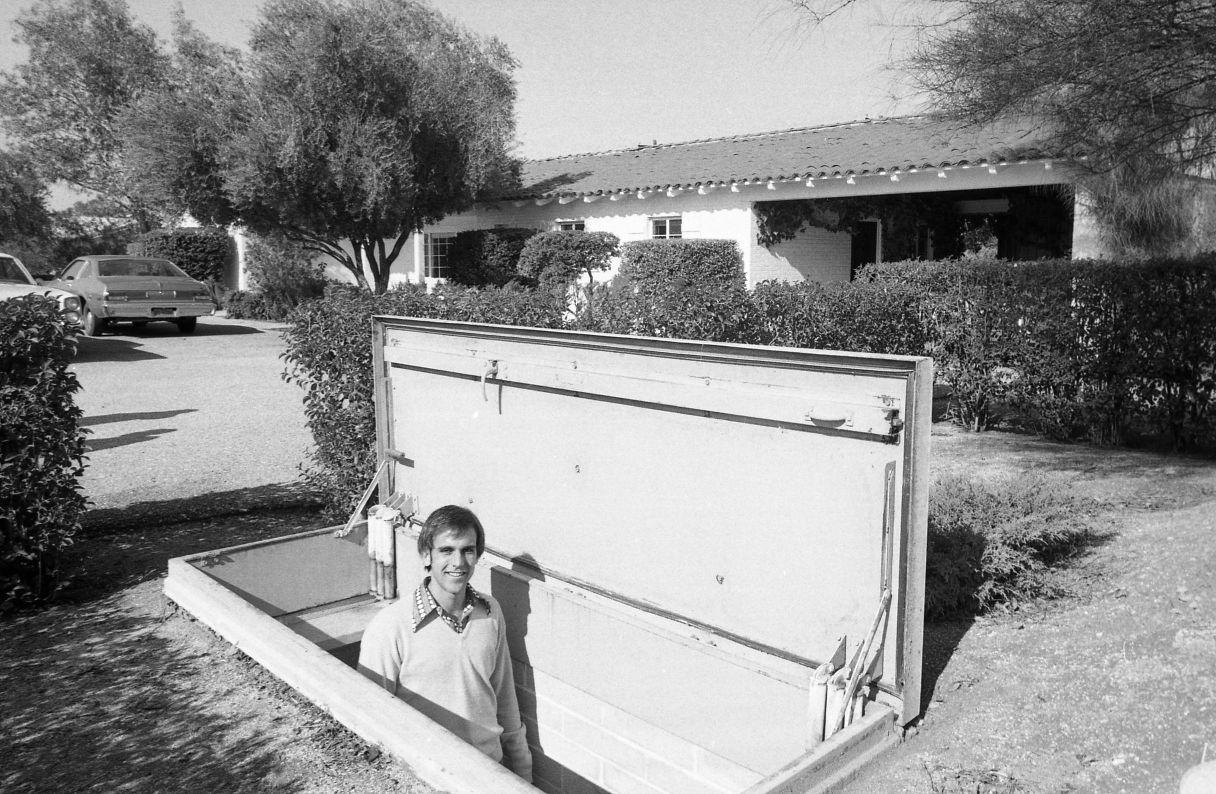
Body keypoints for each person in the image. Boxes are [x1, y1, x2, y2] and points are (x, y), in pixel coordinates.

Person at [357, 505, 532, 783]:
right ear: (426, 555)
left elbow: (505, 697)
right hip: (427, 779)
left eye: (468, 550)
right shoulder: (391, 627)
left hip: (490, 774)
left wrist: (523, 771)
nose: (458, 562)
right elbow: (368, 720)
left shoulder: (490, 611)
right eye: (447, 550)